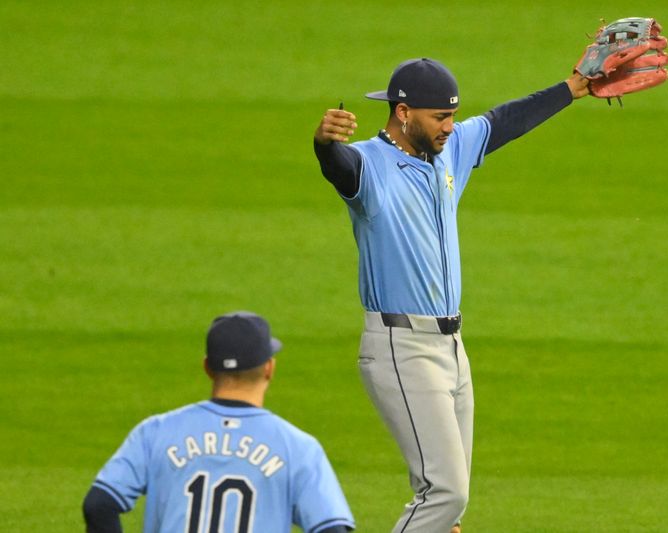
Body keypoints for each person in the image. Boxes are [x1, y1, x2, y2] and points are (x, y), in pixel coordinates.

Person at [312, 58, 589, 532]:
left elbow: (505, 121)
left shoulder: (448, 151)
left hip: (453, 349)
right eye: (439, 117)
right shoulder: (369, 167)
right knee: (445, 492)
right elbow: (339, 168)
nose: (449, 126)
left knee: (449, 511)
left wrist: (572, 87)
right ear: (403, 113)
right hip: (402, 347)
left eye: (452, 116)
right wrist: (322, 144)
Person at [83, 311, 356, 533]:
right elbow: (331, 528)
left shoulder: (155, 432)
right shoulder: (298, 448)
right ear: (269, 368)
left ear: (207, 368)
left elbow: (99, 504)